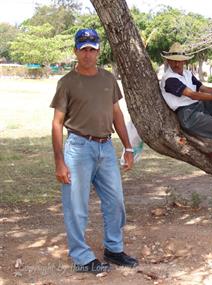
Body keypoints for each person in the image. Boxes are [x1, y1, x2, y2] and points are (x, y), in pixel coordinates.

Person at [50, 28, 138, 274]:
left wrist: (128, 146)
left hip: (106, 147)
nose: (87, 54)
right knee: (76, 206)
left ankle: (114, 249)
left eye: (92, 49)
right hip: (78, 148)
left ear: (98, 51)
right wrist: (59, 162)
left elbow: (117, 114)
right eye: (83, 49)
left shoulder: (108, 79)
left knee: (116, 202)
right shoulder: (66, 82)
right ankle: (81, 256)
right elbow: (57, 122)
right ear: (75, 51)